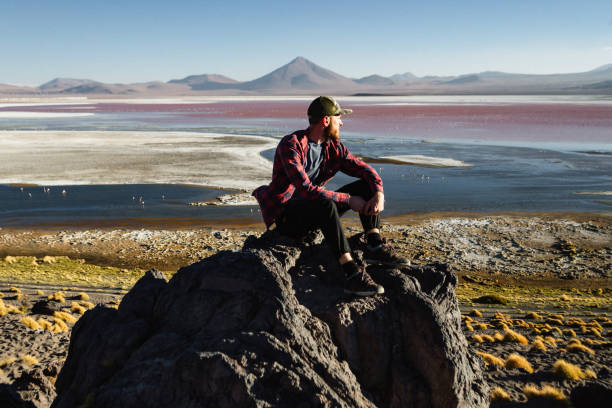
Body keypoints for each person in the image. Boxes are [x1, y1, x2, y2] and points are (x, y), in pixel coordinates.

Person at [252, 96, 408, 296]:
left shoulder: (333, 147)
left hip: (314, 212)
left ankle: (375, 246)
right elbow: (306, 190)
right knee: (326, 203)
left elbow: (365, 170)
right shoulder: (291, 145)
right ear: (326, 120)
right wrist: (349, 200)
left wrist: (379, 193)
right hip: (286, 219)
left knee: (364, 186)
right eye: (338, 118)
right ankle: (350, 273)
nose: (341, 122)